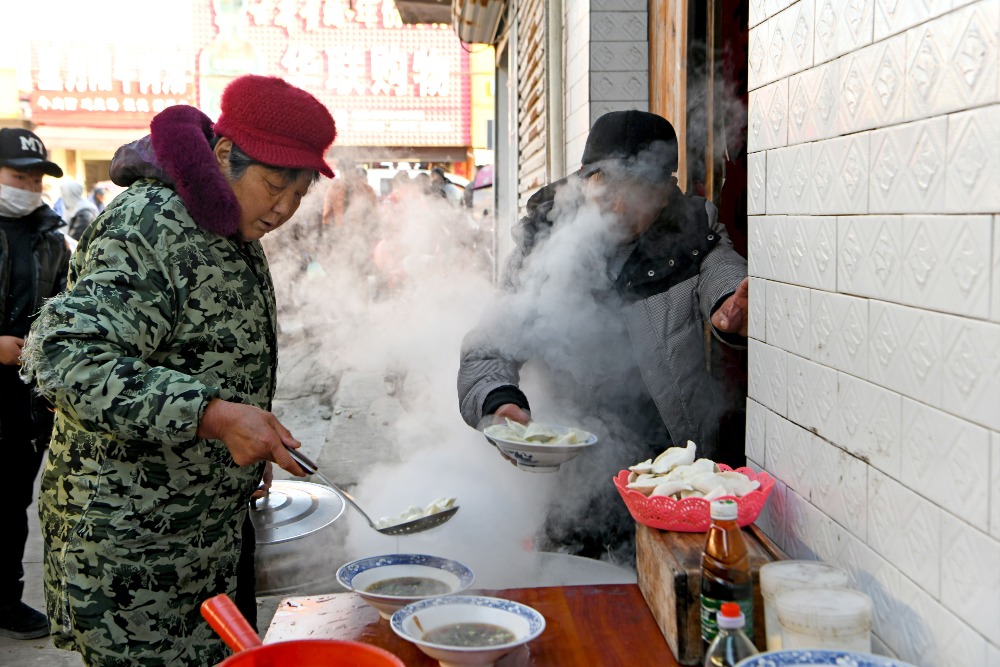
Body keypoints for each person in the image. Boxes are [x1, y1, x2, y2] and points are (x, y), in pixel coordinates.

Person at [20, 74, 336, 664]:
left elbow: (204, 353)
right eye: (274, 185)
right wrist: (213, 417)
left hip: (202, 540)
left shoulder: (231, 227)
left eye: (300, 194)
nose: (285, 208)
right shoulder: (150, 225)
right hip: (133, 557)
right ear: (222, 156)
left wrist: (241, 446)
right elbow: (64, 358)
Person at [456, 110, 749, 562]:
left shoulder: (692, 230)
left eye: (636, 193)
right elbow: (489, 344)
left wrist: (731, 307)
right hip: (571, 470)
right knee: (574, 596)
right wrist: (498, 401)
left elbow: (723, 275)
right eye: (605, 187)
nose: (617, 207)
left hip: (669, 470)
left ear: (665, 189)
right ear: (584, 179)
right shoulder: (543, 242)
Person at [0, 127, 71, 640]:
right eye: (15, 175)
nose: (26, 186)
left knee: (10, 506)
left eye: (34, 178)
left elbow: (62, 309)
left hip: (23, 403)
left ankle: (6, 599)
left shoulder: (51, 239)